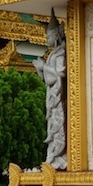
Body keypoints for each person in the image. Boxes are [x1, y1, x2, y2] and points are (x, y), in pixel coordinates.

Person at [33, 13, 67, 169]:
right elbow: (48, 79)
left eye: (48, 37)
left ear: (57, 36)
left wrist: (43, 67)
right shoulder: (53, 53)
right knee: (52, 125)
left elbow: (60, 74)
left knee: (58, 125)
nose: (46, 40)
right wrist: (41, 70)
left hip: (58, 97)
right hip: (52, 96)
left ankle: (58, 155)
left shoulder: (60, 53)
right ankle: (52, 155)